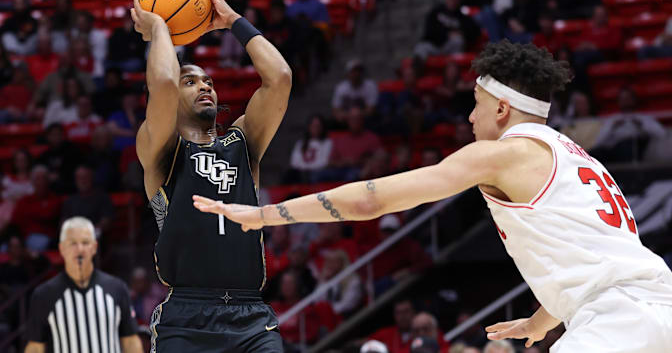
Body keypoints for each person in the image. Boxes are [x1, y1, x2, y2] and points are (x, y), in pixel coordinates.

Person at [195, 41, 672, 352]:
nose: (469, 119)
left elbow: (371, 201)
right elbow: (601, 257)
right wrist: (545, 317)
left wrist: (263, 216)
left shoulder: (503, 154)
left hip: (617, 322)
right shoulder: (581, 159)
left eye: (477, 107)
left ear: (502, 108)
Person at [130, 0, 291, 352]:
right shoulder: (160, 149)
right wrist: (160, 26)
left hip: (251, 316)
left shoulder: (243, 141)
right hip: (187, 315)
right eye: (192, 81)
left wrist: (231, 18)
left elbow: (280, 77)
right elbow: (165, 84)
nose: (205, 85)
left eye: (209, 82)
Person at [24, 217, 143, 353]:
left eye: (85, 243)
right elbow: (36, 346)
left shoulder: (117, 288)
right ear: (62, 248)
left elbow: (130, 341)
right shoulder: (44, 294)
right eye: (73, 243)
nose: (79, 249)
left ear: (94, 247)